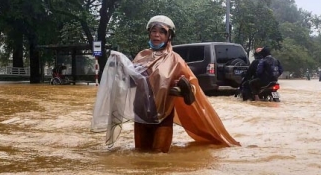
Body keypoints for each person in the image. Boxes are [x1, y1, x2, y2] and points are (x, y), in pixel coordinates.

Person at [91, 15, 239, 152]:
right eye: (153, 31)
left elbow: (193, 85)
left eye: (162, 32)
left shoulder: (175, 59)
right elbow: (131, 83)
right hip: (141, 113)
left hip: (163, 115)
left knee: (159, 156)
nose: (157, 35)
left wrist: (183, 89)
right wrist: (120, 70)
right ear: (149, 34)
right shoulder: (141, 56)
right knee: (141, 155)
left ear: (169, 36)